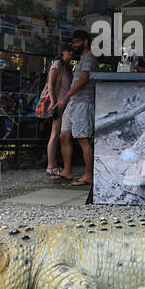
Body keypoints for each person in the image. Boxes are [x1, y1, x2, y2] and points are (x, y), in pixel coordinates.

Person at [56, 29, 96, 186]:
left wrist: (65, 97)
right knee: (64, 136)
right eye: (73, 43)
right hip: (74, 102)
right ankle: (67, 171)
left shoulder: (89, 58)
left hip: (84, 102)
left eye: (77, 42)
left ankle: (89, 175)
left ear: (85, 42)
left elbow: (83, 80)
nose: (74, 45)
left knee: (82, 139)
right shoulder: (81, 59)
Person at [44, 44, 74, 176]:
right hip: (58, 104)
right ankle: (50, 165)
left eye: (73, 51)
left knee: (59, 135)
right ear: (63, 52)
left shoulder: (68, 66)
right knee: (55, 134)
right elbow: (50, 83)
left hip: (65, 104)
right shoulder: (57, 64)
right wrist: (53, 101)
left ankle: (54, 163)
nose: (71, 53)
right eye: (69, 51)